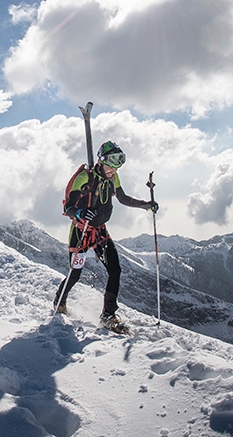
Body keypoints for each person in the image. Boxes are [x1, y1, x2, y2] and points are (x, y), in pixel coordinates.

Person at [52, 141, 159, 332]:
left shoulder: (112, 178)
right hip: (81, 231)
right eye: (110, 165)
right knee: (75, 274)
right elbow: (68, 206)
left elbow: (123, 198)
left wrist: (146, 205)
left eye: (118, 166)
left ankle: (108, 314)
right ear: (101, 161)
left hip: (100, 231)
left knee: (115, 270)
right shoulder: (84, 178)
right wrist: (79, 213)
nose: (113, 170)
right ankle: (60, 300)